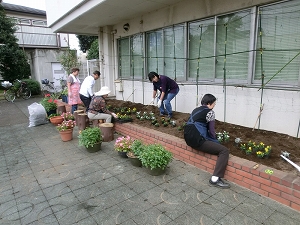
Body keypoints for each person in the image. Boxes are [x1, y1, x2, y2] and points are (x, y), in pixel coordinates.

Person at [184, 94, 230, 189]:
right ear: (209, 103)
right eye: (214, 104)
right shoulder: (210, 112)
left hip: (188, 139)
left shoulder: (196, 109)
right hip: (198, 140)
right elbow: (212, 131)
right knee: (224, 151)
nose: (214, 105)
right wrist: (216, 141)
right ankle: (215, 179)